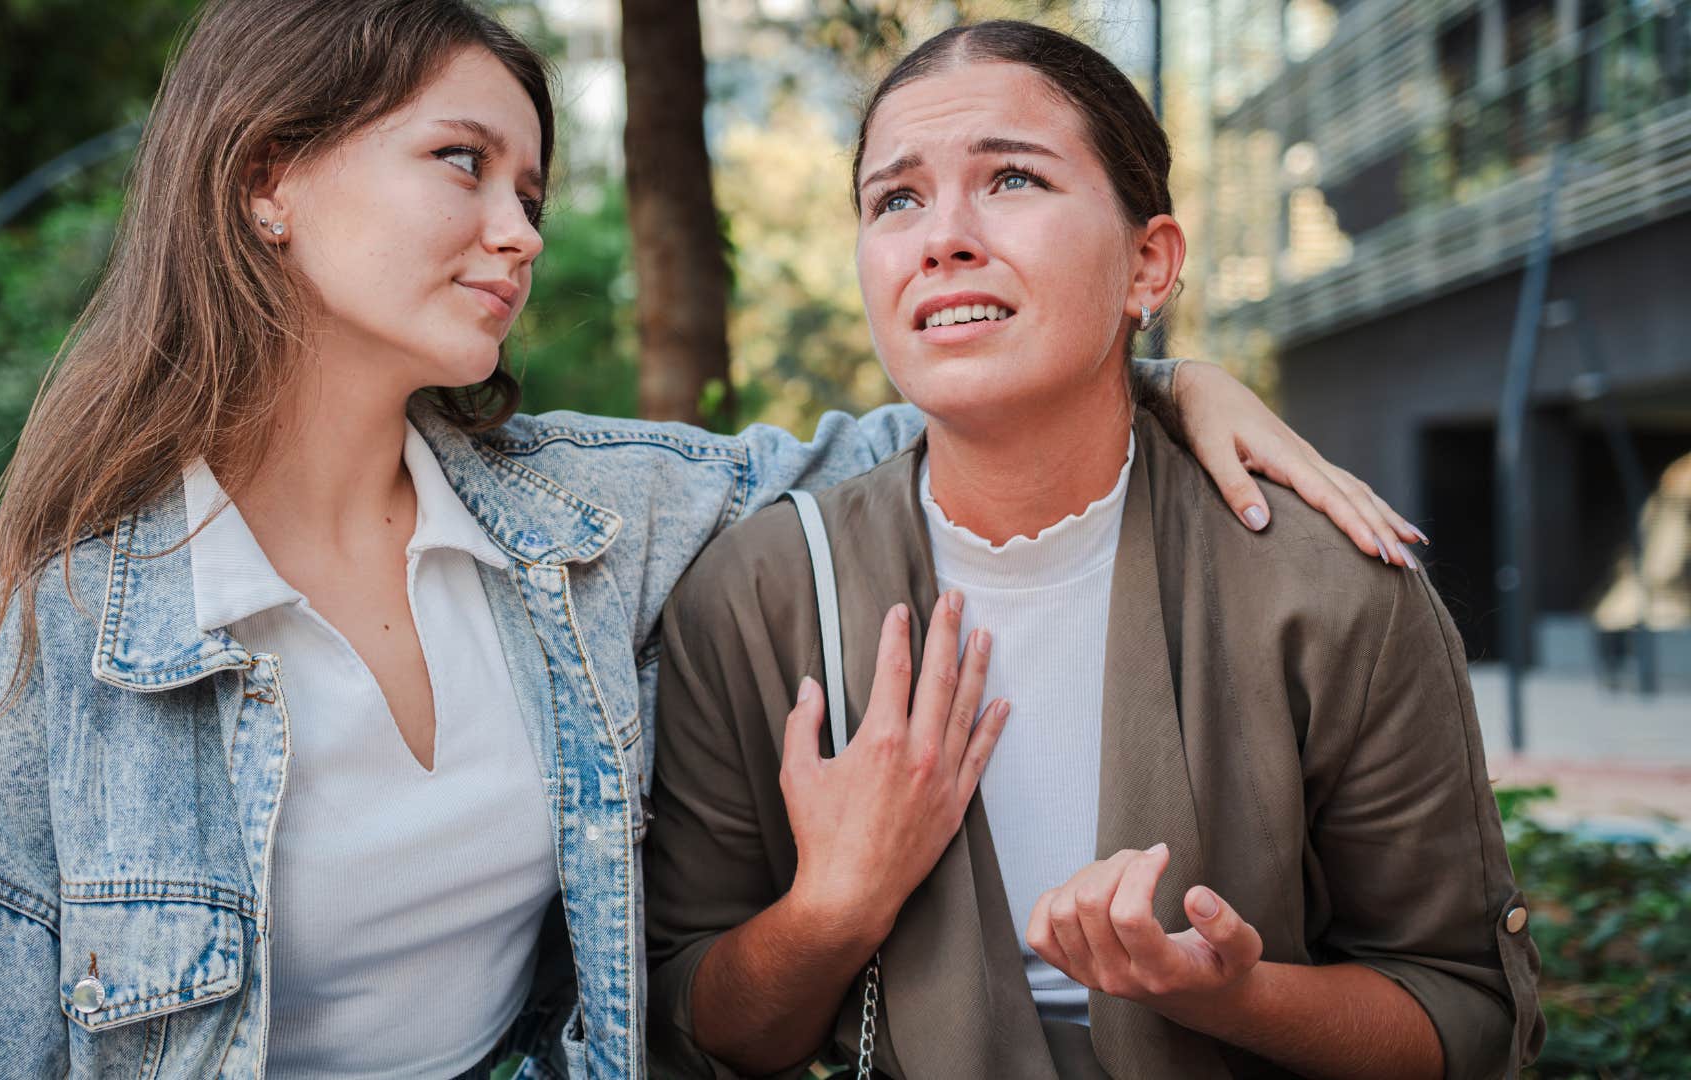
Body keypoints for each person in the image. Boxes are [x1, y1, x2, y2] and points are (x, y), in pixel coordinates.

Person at [0, 3, 1422, 1078]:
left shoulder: (583, 524)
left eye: (531, 180)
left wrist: (1169, 364)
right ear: (269, 178)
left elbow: (928, 424)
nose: (517, 229)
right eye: (461, 165)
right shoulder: (62, 656)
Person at [644, 20, 1542, 1080]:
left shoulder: (1330, 590)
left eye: (1011, 179)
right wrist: (835, 905)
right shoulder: (754, 597)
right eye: (897, 199)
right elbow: (702, 1023)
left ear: (1148, 262)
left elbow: (1464, 1015)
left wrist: (1232, 995)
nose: (943, 236)